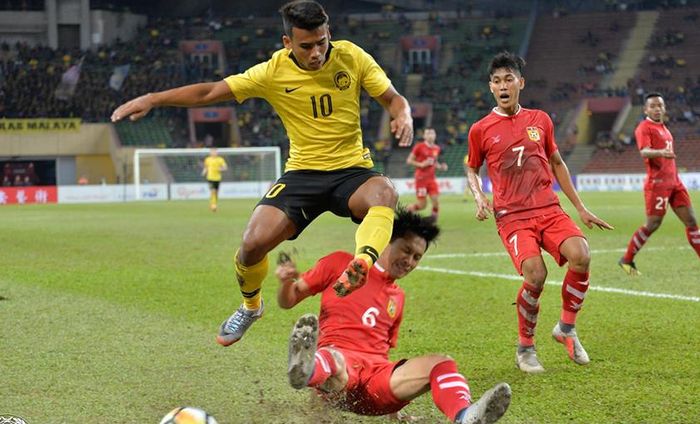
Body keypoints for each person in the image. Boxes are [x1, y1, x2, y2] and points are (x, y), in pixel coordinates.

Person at [111, 0, 413, 347]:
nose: (316, 52)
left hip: (352, 170)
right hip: (302, 174)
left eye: (322, 42)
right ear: (288, 43)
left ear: (329, 34)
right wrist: (154, 98)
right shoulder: (272, 72)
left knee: (384, 193)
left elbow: (393, 98)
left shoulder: (352, 56)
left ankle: (361, 264)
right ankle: (251, 306)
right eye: (306, 46)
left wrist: (402, 114)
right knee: (252, 245)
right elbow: (211, 91)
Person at [277, 209, 511, 423]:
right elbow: (288, 300)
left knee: (442, 363)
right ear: (387, 240)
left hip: (375, 383)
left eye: (417, 257)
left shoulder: (397, 297)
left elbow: (383, 353)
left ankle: (464, 416)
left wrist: (395, 414)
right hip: (339, 377)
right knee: (334, 357)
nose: (410, 261)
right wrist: (286, 281)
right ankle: (305, 371)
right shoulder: (340, 263)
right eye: (407, 251)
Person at [465, 52, 613, 374]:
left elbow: (557, 163)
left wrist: (580, 208)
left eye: (508, 79)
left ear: (521, 82)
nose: (503, 85)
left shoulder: (541, 120)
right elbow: (472, 168)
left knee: (581, 254)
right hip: (512, 216)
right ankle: (526, 346)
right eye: (497, 81)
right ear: (490, 87)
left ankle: (566, 328)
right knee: (536, 274)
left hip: (548, 208)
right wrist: (479, 197)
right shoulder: (481, 129)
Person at [619, 93, 700, 275]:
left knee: (691, 221)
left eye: (660, 106)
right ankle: (626, 259)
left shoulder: (664, 128)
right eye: (653, 106)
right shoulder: (644, 128)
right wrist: (662, 151)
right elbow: (644, 152)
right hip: (658, 183)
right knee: (653, 224)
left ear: (664, 108)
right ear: (646, 109)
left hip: (675, 183)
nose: (657, 109)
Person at [405, 128, 447, 221]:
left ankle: (433, 220)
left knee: (435, 200)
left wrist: (441, 167)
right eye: (428, 133)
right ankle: (407, 210)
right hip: (421, 179)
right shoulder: (419, 147)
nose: (430, 135)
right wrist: (421, 164)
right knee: (422, 205)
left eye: (432, 133)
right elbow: (409, 160)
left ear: (435, 135)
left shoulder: (437, 148)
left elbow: (434, 163)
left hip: (431, 179)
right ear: (424, 136)